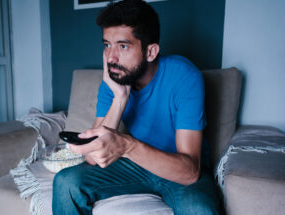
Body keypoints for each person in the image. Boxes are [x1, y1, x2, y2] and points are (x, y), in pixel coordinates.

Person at [52, 0, 220, 214]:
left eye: (123, 46)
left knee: (199, 209)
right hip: (136, 166)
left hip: (177, 169)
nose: (111, 57)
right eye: (106, 45)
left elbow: (189, 173)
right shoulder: (113, 81)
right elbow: (92, 158)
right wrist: (120, 97)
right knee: (66, 182)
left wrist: (127, 146)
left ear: (151, 52)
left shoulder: (185, 77)